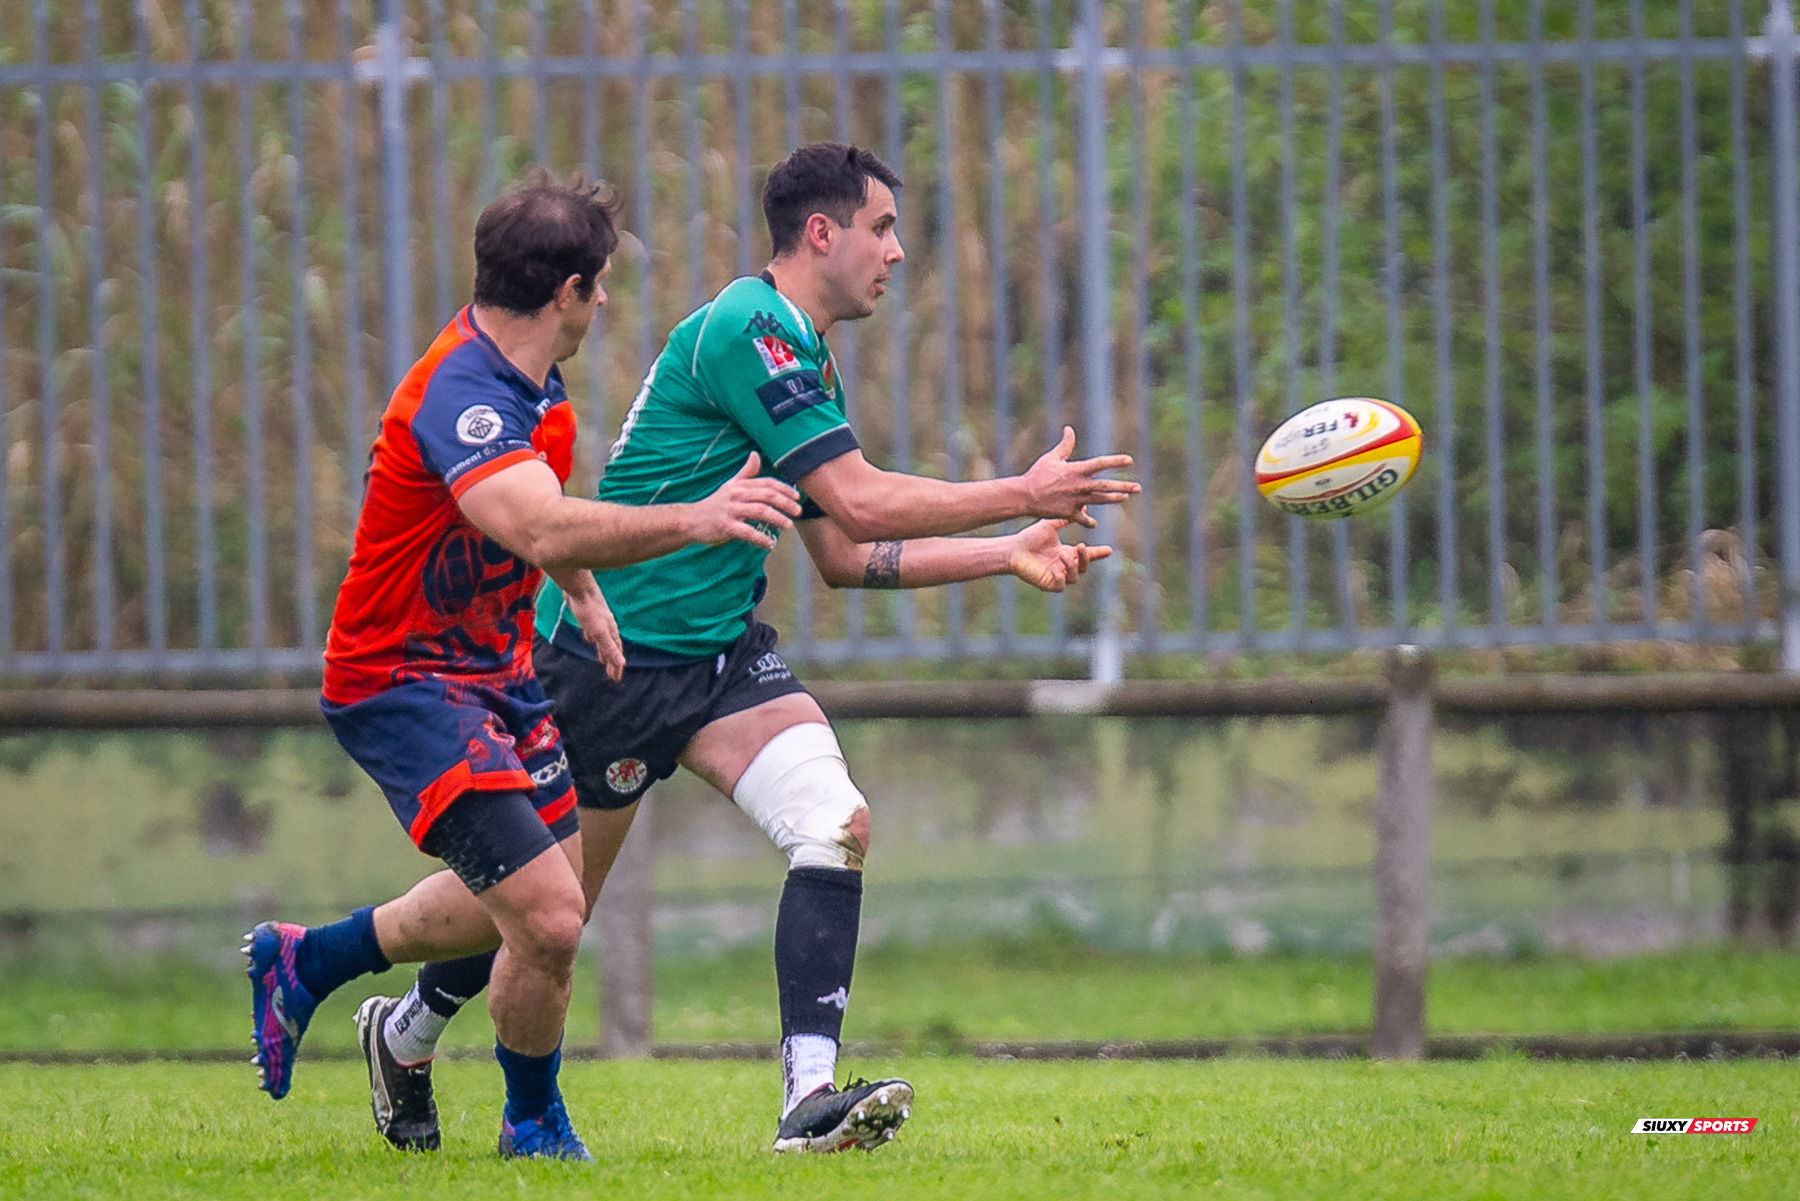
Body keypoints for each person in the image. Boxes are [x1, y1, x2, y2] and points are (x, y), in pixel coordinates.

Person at [354, 142, 1139, 1155]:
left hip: (721, 660)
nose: (896, 252)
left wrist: (1007, 553)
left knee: (834, 820)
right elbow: (860, 500)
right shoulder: (748, 330)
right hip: (611, 661)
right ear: (821, 233)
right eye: (882, 228)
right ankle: (404, 1031)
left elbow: (842, 554)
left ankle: (808, 1100)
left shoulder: (803, 354)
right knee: (545, 914)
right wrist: (1021, 491)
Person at [243, 168, 803, 1162]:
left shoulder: (539, 393)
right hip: (403, 681)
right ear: (570, 291)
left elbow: (534, 525)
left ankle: (310, 958)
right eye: (602, 283)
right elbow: (536, 518)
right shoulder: (462, 394)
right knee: (547, 916)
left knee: (545, 900)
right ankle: (533, 1126)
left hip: (498, 674)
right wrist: (696, 517)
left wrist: (581, 592)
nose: (607, 301)